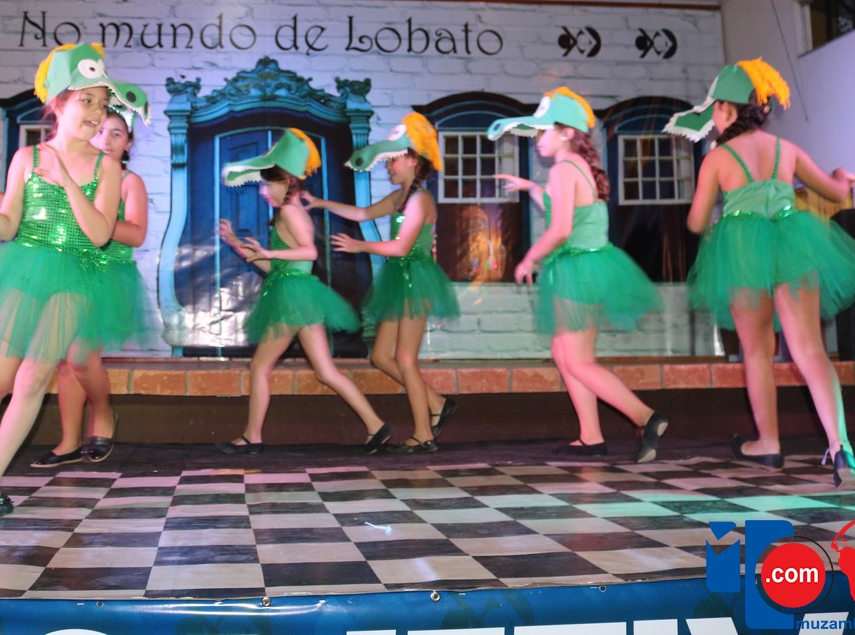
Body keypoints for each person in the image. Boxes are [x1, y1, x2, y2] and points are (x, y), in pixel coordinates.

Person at [0, 42, 150, 514]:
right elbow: (8, 227)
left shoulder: (107, 167)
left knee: (34, 378)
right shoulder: (27, 158)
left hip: (76, 274)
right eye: (87, 100)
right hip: (26, 269)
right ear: (58, 104)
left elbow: (99, 234)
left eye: (103, 104)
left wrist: (68, 181)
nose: (97, 113)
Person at [666, 58, 855, 489]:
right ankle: (841, 448)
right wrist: (841, 176)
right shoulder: (787, 149)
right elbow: (835, 191)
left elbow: (696, 221)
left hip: (744, 252)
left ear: (726, 108)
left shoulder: (718, 158)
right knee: (811, 350)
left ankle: (768, 442)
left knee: (757, 351)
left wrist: (721, 215)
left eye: (716, 108)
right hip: (792, 242)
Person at [489, 88, 667, 462]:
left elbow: (560, 230)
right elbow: (566, 209)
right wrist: (532, 188)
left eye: (544, 130)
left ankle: (646, 417)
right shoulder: (576, 167)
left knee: (579, 360)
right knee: (563, 351)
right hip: (590, 266)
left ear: (567, 132)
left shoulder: (562, 170)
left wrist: (529, 259)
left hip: (578, 269)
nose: (538, 138)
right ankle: (591, 436)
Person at [0, 107, 148, 469]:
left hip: (102, 271)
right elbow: (35, 212)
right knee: (63, 358)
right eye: (102, 132)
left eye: (117, 133)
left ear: (129, 143)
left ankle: (103, 411)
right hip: (66, 265)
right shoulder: (66, 169)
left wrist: (92, 215)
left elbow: (135, 234)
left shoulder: (127, 180)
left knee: (80, 357)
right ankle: (68, 441)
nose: (107, 139)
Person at [216, 129, 393, 455]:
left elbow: (309, 253)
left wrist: (269, 252)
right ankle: (376, 426)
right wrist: (237, 243)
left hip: (292, 299)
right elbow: (277, 267)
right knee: (325, 371)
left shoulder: (290, 212)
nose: (263, 192)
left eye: (267, 185)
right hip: (299, 295)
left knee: (259, 367)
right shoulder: (291, 213)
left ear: (286, 182)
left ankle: (252, 437)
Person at [305, 113, 459, 453]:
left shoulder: (419, 199)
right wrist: (320, 203)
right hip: (399, 278)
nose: (388, 166)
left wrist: (360, 246)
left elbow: (402, 247)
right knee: (380, 356)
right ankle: (437, 403)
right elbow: (362, 214)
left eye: (392, 160)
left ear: (412, 160)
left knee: (404, 359)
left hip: (415, 278)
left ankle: (424, 434)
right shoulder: (400, 197)